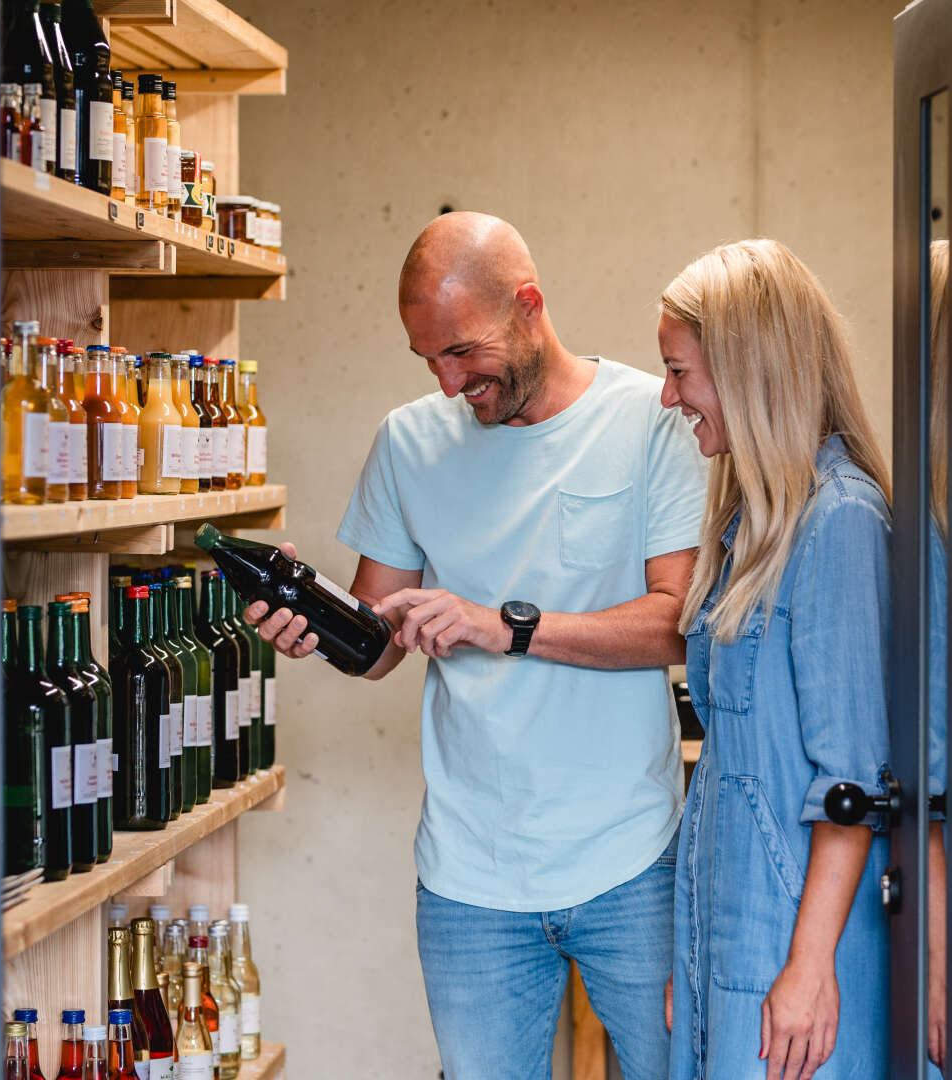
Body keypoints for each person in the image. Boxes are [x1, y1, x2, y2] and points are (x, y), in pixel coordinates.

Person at [245, 211, 707, 1080]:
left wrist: (504, 625)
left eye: (463, 353)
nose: (449, 382)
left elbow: (676, 625)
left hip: (633, 857)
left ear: (529, 306)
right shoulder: (408, 442)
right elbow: (379, 641)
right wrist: (318, 625)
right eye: (427, 358)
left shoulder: (650, 420)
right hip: (468, 879)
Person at [657, 238, 893, 1080]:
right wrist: (692, 960)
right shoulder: (749, 528)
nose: (667, 395)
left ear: (749, 371)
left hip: (799, 948)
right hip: (731, 933)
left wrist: (808, 968)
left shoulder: (842, 522)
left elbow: (853, 781)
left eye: (680, 372)